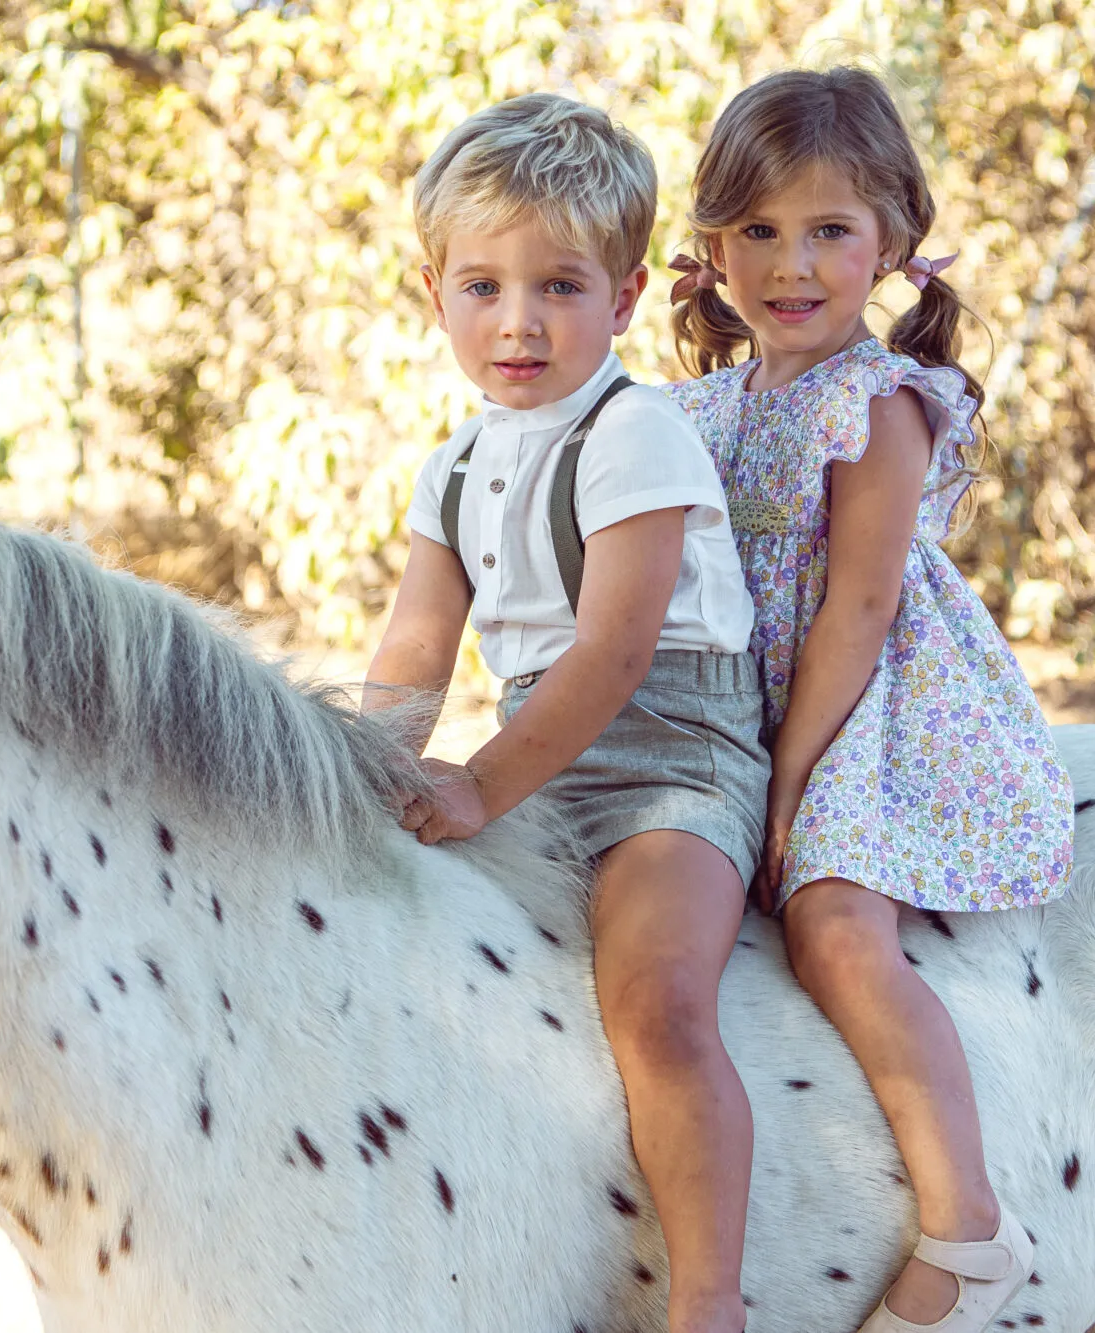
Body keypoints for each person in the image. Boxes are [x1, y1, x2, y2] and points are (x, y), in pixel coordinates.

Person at [663, 68, 1076, 1333]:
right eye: (758, 230)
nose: (790, 265)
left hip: (859, 706)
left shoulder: (880, 402)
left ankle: (968, 1228)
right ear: (712, 246)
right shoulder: (694, 409)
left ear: (889, 243)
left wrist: (787, 784)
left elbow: (857, 606)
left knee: (835, 925)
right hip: (726, 699)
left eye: (828, 230)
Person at [361, 92, 769, 1333]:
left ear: (626, 296)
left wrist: (478, 785)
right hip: (542, 760)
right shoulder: (454, 466)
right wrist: (367, 772)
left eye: (559, 286)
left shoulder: (635, 435)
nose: (519, 322)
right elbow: (417, 645)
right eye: (482, 287)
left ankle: (707, 1297)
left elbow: (613, 651)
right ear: (434, 293)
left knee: (655, 1001)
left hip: (670, 762)